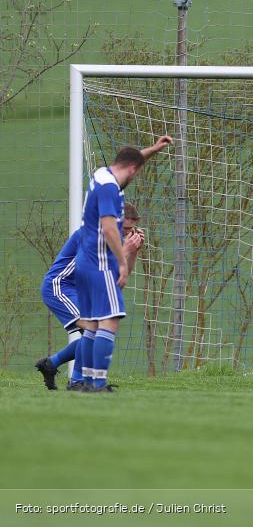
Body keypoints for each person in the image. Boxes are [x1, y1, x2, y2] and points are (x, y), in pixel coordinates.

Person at [75, 136, 171, 393]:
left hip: (85, 261)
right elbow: (108, 229)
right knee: (111, 319)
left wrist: (153, 149)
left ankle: (85, 382)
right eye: (135, 173)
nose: (134, 177)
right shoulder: (109, 188)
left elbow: (131, 161)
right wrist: (122, 262)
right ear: (131, 170)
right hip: (100, 262)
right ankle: (98, 383)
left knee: (93, 323)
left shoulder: (102, 174)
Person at [34, 203, 143, 390]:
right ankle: (77, 382)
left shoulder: (114, 240)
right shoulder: (93, 234)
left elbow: (122, 273)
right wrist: (125, 249)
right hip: (60, 286)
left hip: (81, 289)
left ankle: (51, 364)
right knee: (91, 328)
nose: (127, 233)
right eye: (124, 228)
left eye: (130, 230)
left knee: (95, 330)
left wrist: (133, 252)